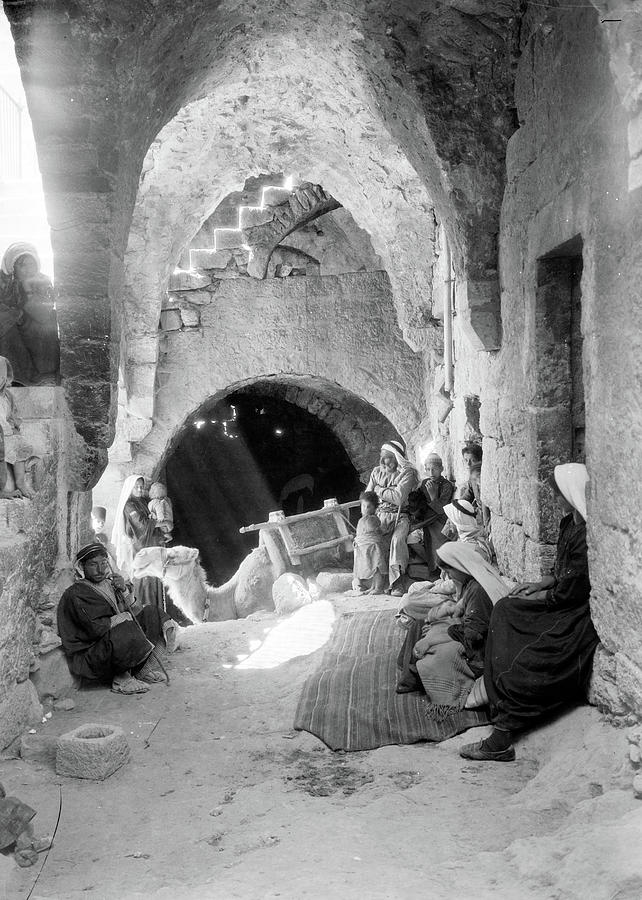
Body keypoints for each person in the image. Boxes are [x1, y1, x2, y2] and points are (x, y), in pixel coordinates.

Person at [460, 462, 599, 762]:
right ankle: (495, 695)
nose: (556, 500)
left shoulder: (587, 535)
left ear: (572, 493)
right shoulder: (568, 525)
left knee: (528, 659)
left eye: (559, 495)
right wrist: (537, 583)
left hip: (573, 614)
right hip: (558, 601)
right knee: (505, 609)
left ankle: (501, 738)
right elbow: (559, 572)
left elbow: (570, 591)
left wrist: (542, 595)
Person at [57, 543, 175, 694]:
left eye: (104, 563)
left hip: (112, 647)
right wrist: (124, 617)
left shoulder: (108, 584)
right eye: (93, 564)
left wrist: (124, 590)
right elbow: (96, 629)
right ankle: (121, 679)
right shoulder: (77, 593)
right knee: (126, 626)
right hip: (90, 657)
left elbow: (135, 610)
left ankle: (140, 671)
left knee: (151, 613)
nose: (100, 569)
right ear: (82, 566)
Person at [397, 542, 508, 702]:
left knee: (434, 649)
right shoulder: (470, 583)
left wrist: (431, 640)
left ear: (460, 566)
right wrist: (447, 612)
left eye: (449, 570)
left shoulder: (478, 590)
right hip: (469, 631)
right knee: (420, 624)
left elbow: (473, 635)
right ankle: (410, 670)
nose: (447, 575)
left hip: (481, 651)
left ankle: (417, 675)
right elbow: (461, 608)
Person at [111, 474, 190, 626]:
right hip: (141, 550)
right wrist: (161, 523)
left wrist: (162, 532)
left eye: (142, 486)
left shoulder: (143, 501)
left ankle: (159, 621)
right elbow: (141, 526)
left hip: (152, 548)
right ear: (130, 488)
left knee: (156, 582)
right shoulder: (129, 505)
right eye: (137, 487)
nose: (140, 489)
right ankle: (147, 622)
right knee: (145, 584)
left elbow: (153, 520)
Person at [0, 242, 59, 385]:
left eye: (31, 264)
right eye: (22, 265)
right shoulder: (2, 282)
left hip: (32, 325)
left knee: (48, 322)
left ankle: (45, 374)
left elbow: (43, 314)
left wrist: (28, 289)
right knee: (8, 331)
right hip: (9, 324)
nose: (28, 270)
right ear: (12, 266)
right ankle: (17, 377)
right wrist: (16, 315)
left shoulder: (43, 281)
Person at [365, 440, 419, 596]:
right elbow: (368, 496)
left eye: (387, 457)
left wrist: (379, 489)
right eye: (382, 457)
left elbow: (399, 498)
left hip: (400, 516)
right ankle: (375, 583)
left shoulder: (407, 472)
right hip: (379, 515)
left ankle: (397, 583)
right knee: (367, 539)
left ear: (396, 457)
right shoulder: (376, 471)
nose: (383, 461)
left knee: (397, 541)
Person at [0, 356, 36, 498]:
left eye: (2, 376)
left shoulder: (7, 397)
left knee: (19, 444)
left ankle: (21, 483)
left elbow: (11, 418)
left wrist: (13, 428)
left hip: (6, 435)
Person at [419, 452, 455, 578]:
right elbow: (420, 504)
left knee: (438, 540)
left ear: (442, 469)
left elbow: (441, 510)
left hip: (441, 520)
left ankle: (442, 571)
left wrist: (433, 495)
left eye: (434, 469)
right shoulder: (424, 484)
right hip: (427, 520)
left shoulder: (447, 485)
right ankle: (433, 570)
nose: (431, 472)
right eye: (428, 469)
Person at [351, 490, 387, 594]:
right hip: (364, 547)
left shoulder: (373, 519)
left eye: (369, 506)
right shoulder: (361, 520)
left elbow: (375, 529)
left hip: (374, 546)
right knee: (371, 567)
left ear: (375, 508)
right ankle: (372, 587)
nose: (365, 509)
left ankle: (378, 588)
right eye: (363, 506)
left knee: (377, 568)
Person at [442, 498, 493, 563]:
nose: (448, 523)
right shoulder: (472, 537)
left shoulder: (471, 548)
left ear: (459, 522)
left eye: (451, 519)